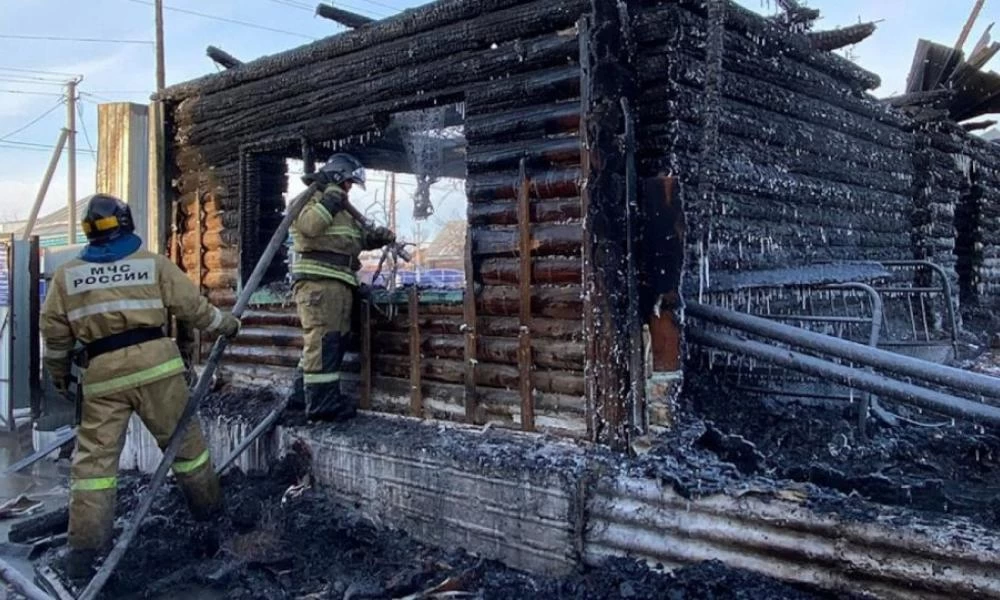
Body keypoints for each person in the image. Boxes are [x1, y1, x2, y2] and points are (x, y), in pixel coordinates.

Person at [40, 194, 241, 582]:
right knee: (187, 450)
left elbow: (56, 338)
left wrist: (61, 377)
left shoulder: (67, 277)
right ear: (126, 223)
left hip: (103, 375)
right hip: (158, 369)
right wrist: (227, 325)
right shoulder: (151, 264)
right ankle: (212, 523)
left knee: (94, 468)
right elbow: (193, 308)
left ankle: (84, 555)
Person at [290, 153, 395, 421]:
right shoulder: (310, 200)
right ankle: (322, 405)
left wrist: (374, 238)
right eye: (348, 182)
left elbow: (351, 240)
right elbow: (310, 227)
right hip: (318, 284)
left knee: (330, 342)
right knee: (324, 341)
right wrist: (331, 199)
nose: (349, 188)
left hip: (339, 282)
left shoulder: (342, 209)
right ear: (337, 177)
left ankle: (301, 397)